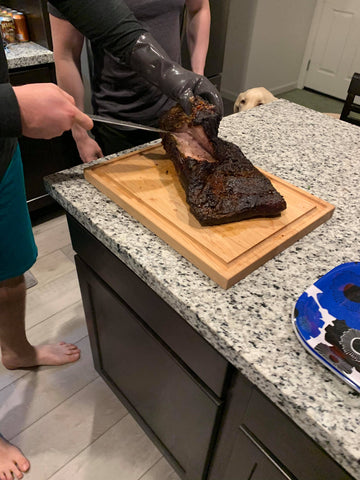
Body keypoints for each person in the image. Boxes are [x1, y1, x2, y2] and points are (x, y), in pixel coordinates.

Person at [1, 0, 222, 474]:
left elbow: (92, 9)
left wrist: (173, 72)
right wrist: (8, 106)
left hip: (0, 156)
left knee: (10, 271)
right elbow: (66, 46)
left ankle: (16, 351)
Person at [48, 0, 212, 163]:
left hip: (176, 112)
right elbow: (66, 55)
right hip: (116, 121)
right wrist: (80, 135)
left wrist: (197, 78)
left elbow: (199, 8)